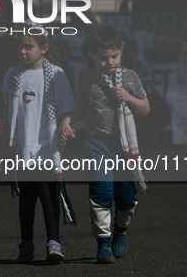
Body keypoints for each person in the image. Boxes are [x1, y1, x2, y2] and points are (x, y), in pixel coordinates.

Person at [60, 25, 150, 263]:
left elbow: (146, 108)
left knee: (126, 198)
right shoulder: (88, 78)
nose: (109, 62)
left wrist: (129, 97)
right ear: (92, 56)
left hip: (124, 146)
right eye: (102, 58)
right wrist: (68, 119)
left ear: (121, 52)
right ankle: (103, 243)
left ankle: (120, 229)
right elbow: (82, 107)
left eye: (114, 56)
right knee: (101, 194)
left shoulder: (131, 76)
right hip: (96, 143)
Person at [0, 22, 76, 264]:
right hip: (22, 147)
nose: (23, 52)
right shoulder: (12, 74)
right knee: (26, 196)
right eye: (20, 47)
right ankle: (26, 243)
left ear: (44, 47)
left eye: (29, 47)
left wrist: (65, 124)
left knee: (47, 193)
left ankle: (54, 242)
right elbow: (8, 107)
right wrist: (0, 128)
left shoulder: (56, 73)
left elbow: (66, 107)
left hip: (46, 147)